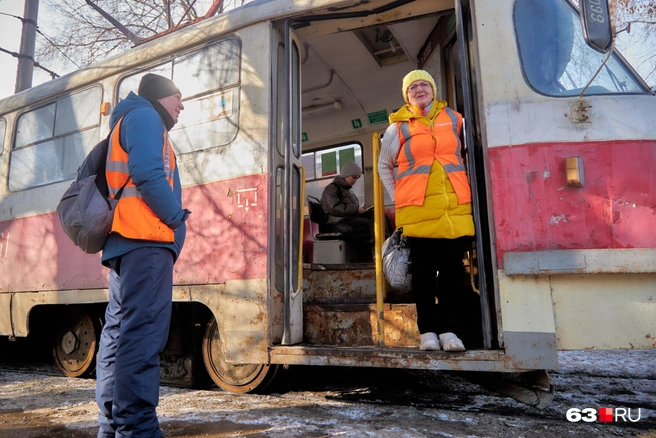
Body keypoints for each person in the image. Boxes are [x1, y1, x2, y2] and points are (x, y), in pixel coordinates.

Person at [95, 73, 190, 437]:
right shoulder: (147, 118)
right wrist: (176, 218)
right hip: (146, 241)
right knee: (143, 335)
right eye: (177, 97)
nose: (181, 105)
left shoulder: (129, 120)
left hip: (127, 243)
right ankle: (138, 429)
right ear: (159, 97)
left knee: (118, 336)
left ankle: (113, 426)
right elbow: (147, 174)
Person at [378, 70, 475, 352]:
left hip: (454, 208)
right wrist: (398, 196)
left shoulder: (456, 120)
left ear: (433, 90)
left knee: (452, 273)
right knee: (421, 274)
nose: (419, 89)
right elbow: (385, 164)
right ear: (406, 95)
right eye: (413, 87)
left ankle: (448, 330)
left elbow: (468, 157)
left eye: (424, 84)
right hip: (416, 209)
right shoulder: (397, 127)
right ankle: (427, 332)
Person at [321, 161, 374, 244]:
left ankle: (386, 246)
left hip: (348, 220)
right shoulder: (332, 188)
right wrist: (356, 210)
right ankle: (378, 252)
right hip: (338, 223)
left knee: (377, 217)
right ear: (346, 175)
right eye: (354, 177)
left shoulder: (347, 191)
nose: (355, 181)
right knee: (371, 226)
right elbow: (333, 208)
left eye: (357, 178)